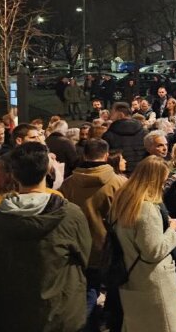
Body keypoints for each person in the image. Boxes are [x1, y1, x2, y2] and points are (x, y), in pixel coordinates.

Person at [0, 143, 91, 332]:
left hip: (10, 310)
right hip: (60, 308)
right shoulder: (70, 214)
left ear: (14, 175)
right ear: (48, 170)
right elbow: (84, 255)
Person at [109, 156, 176, 332]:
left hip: (130, 278)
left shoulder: (123, 200)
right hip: (154, 282)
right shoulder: (147, 209)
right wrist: (172, 230)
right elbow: (153, 251)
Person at [60, 139, 129, 328]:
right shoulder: (118, 183)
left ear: (84, 155)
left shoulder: (69, 183)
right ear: (106, 156)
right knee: (115, 293)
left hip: (79, 246)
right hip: (110, 246)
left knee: (88, 290)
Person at [103, 102, 148, 174]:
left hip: (119, 173)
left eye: (112, 113)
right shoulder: (144, 132)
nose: (110, 117)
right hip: (141, 173)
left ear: (121, 114)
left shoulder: (109, 135)